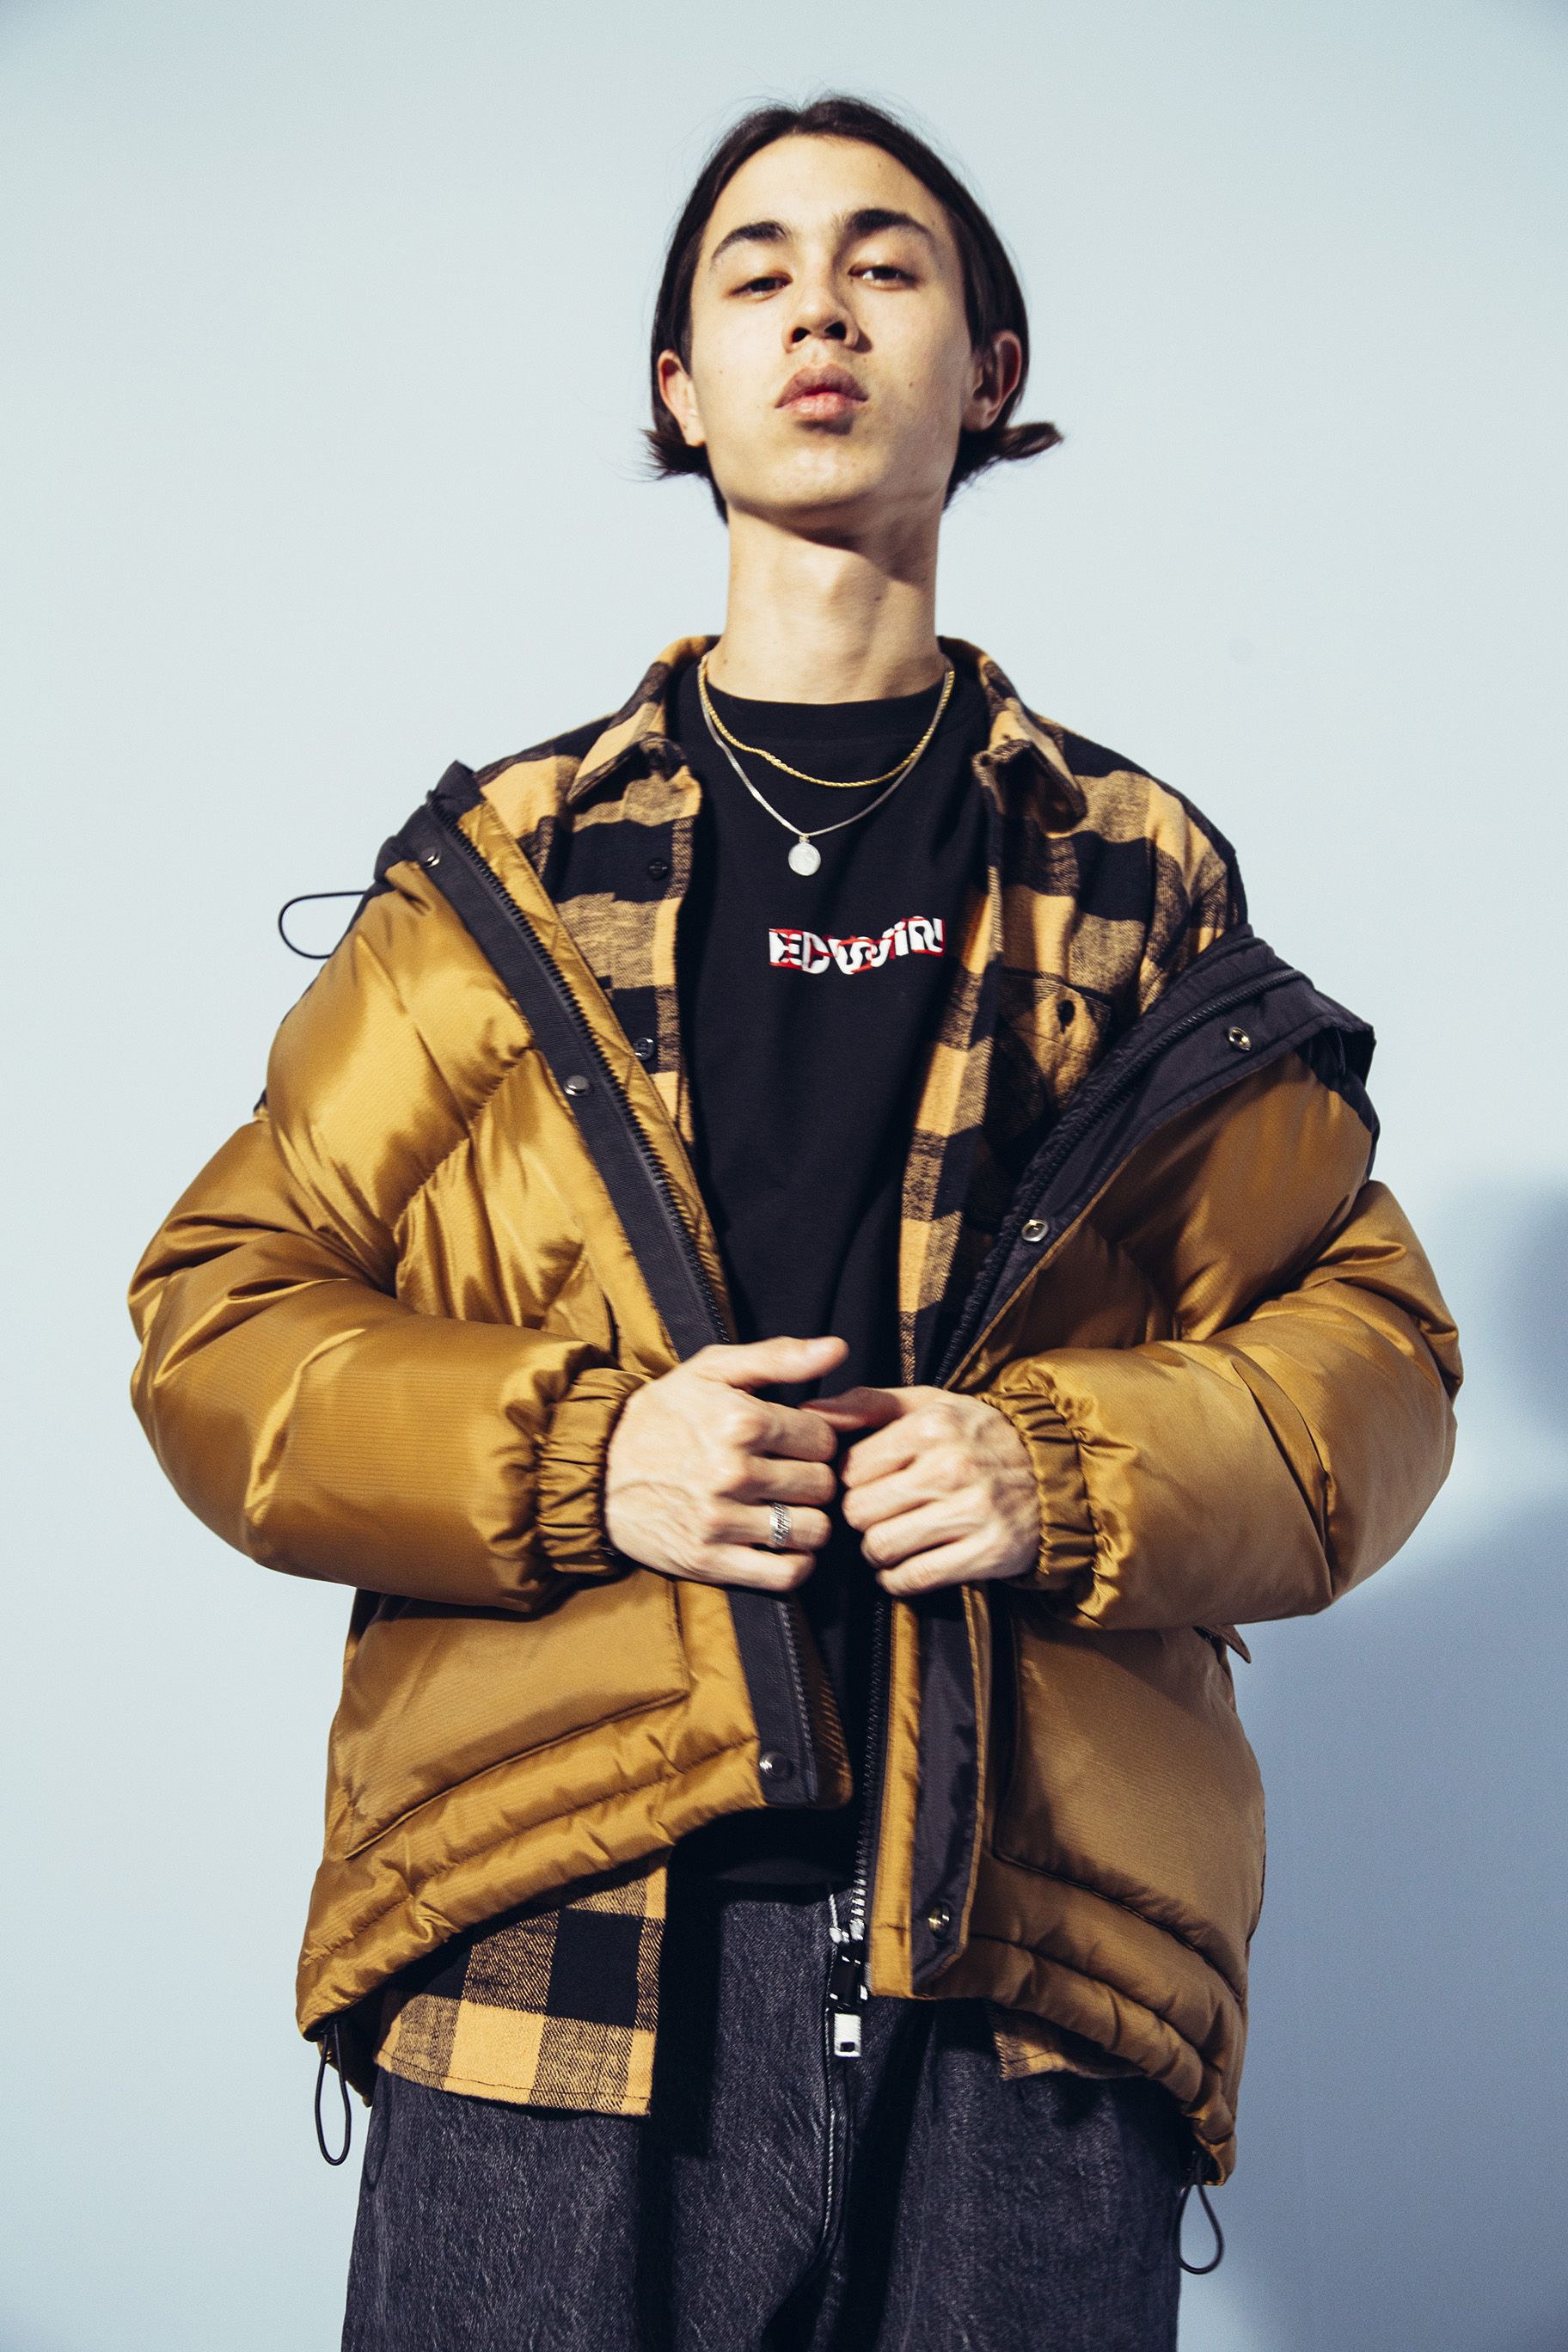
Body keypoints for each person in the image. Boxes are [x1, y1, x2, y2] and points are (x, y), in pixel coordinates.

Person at [127, 93, 1462, 2352]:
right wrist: (587, 1460)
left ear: (990, 369)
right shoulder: (508, 879)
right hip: (548, 1926)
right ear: (681, 387)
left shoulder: (1128, 878)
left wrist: (1063, 1472)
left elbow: (1376, 1352)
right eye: (754, 273)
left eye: (885, 264)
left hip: (1020, 1960)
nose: (819, 309)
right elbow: (218, 1321)